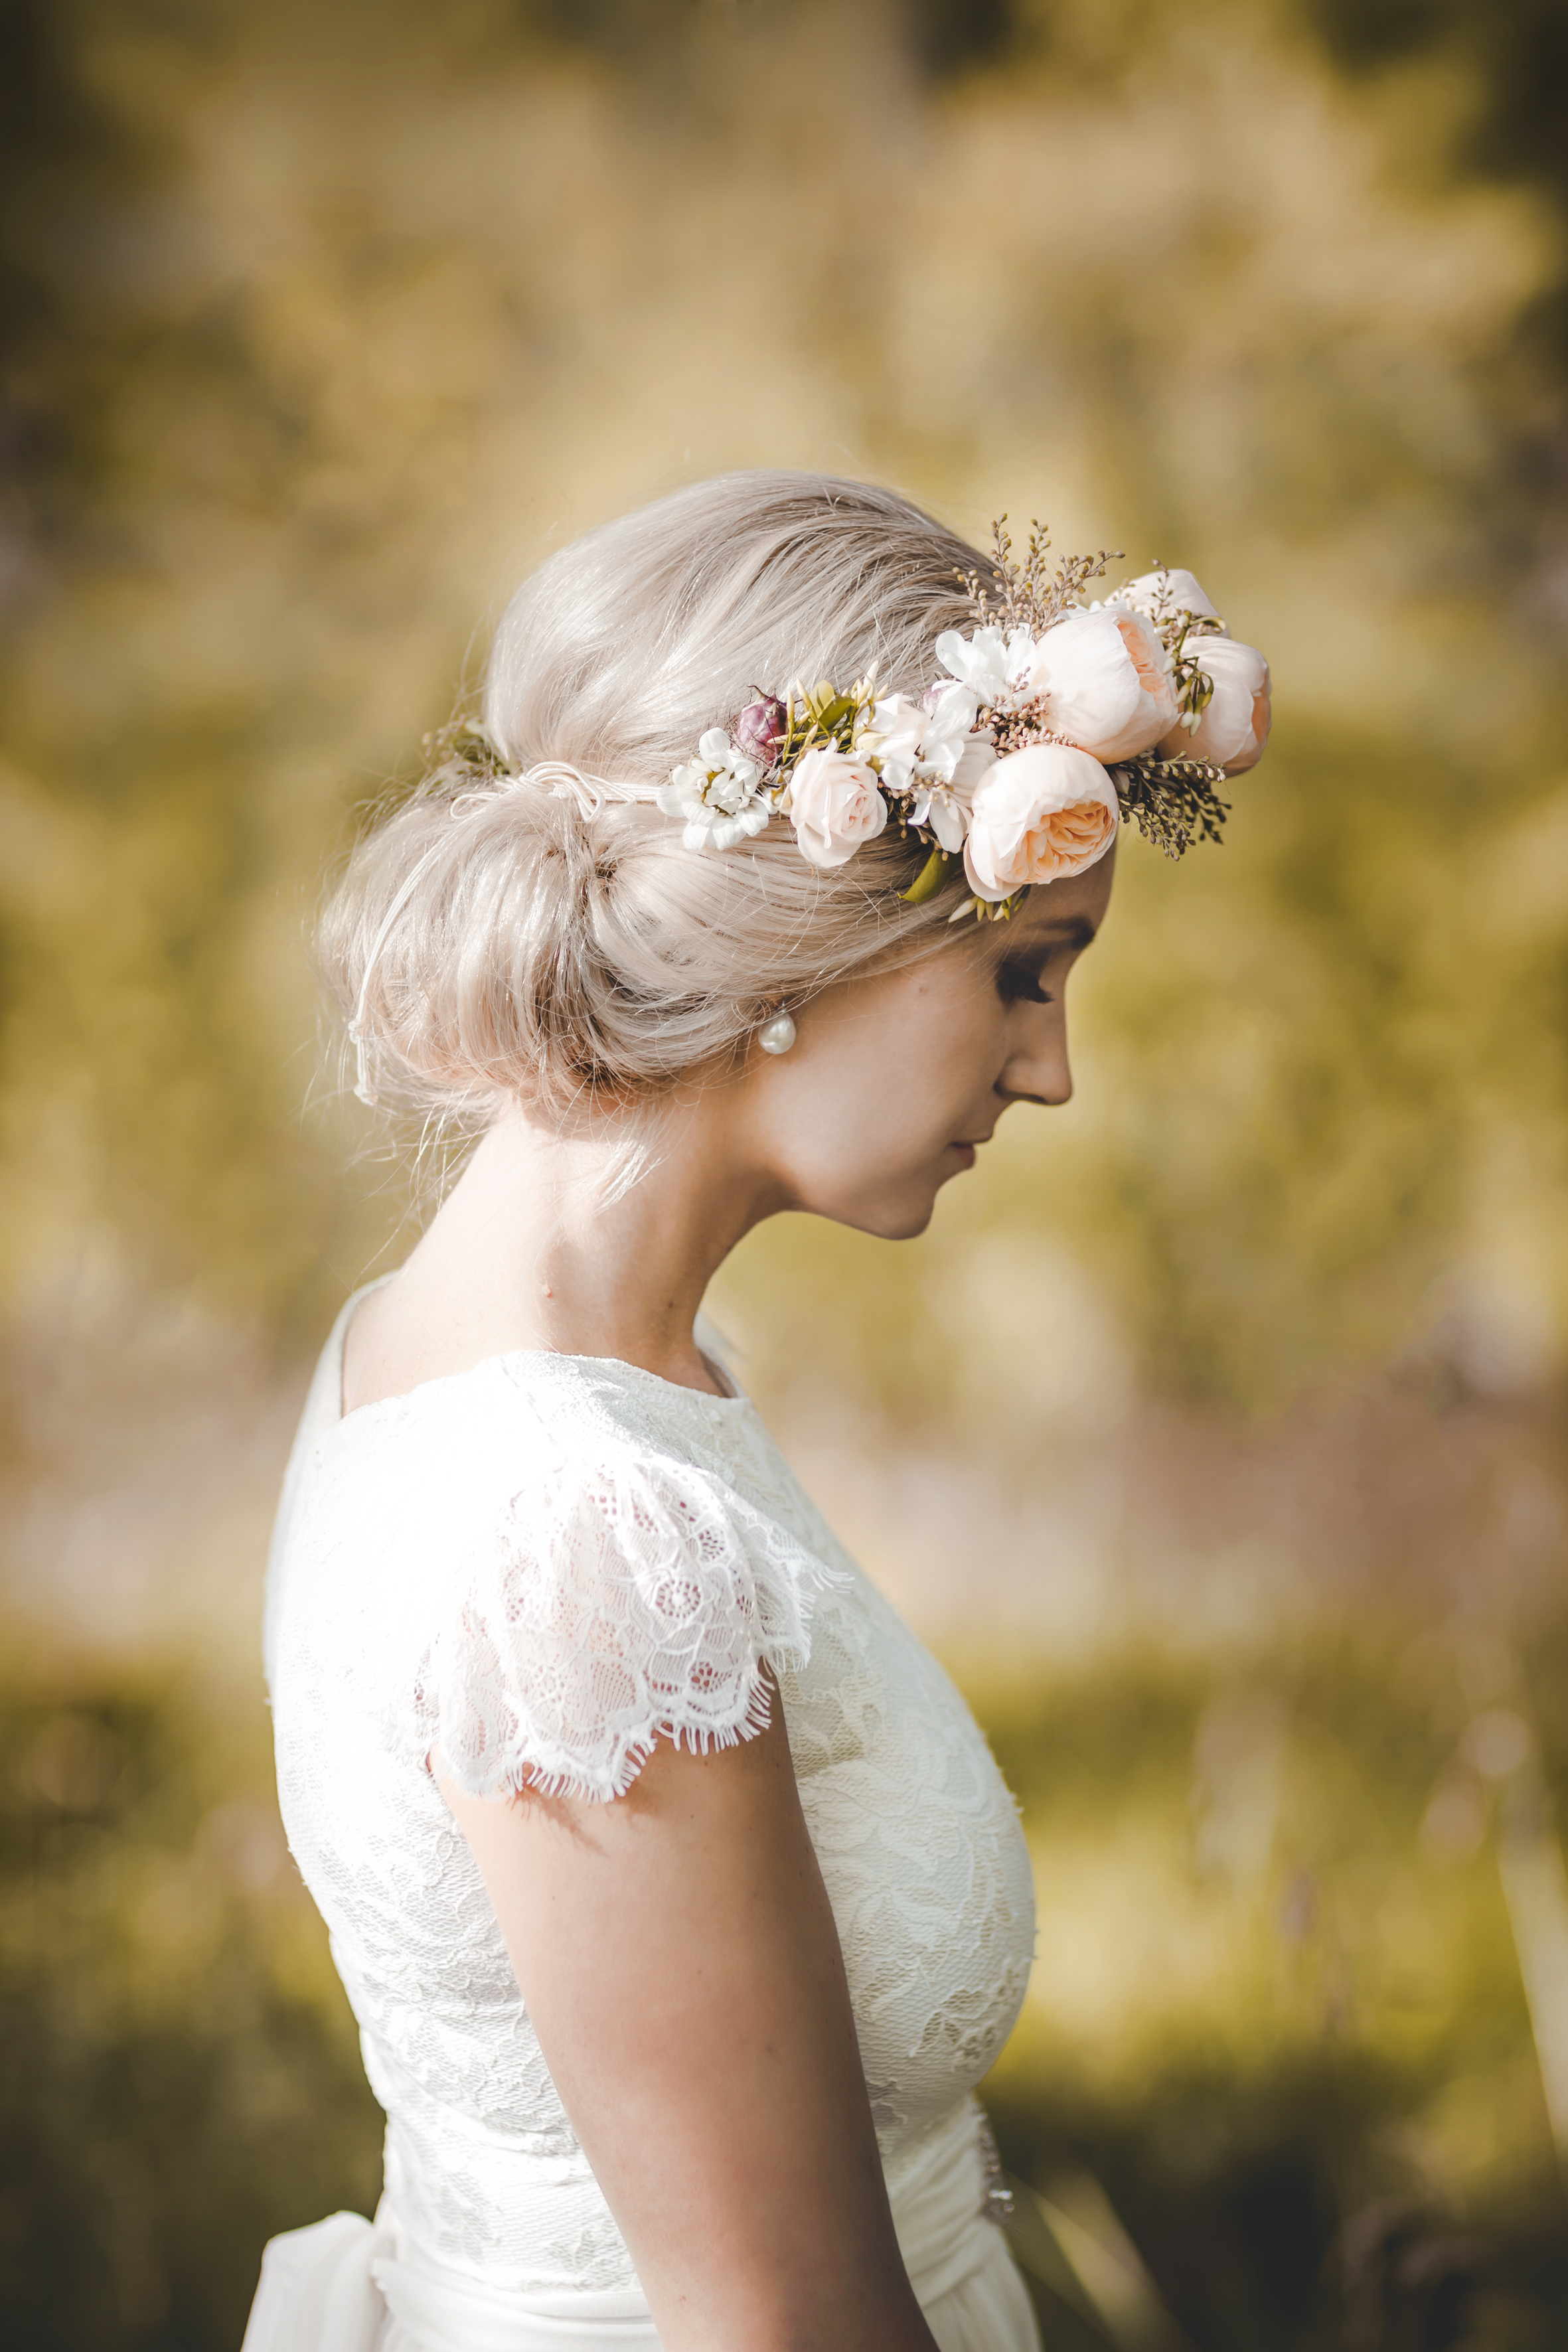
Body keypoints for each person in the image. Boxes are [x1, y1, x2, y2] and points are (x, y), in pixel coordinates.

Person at [244, 471, 1269, 2352]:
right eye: (1022, 976)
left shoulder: (508, 1361)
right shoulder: (571, 1535)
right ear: (807, 934)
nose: (1050, 1072)